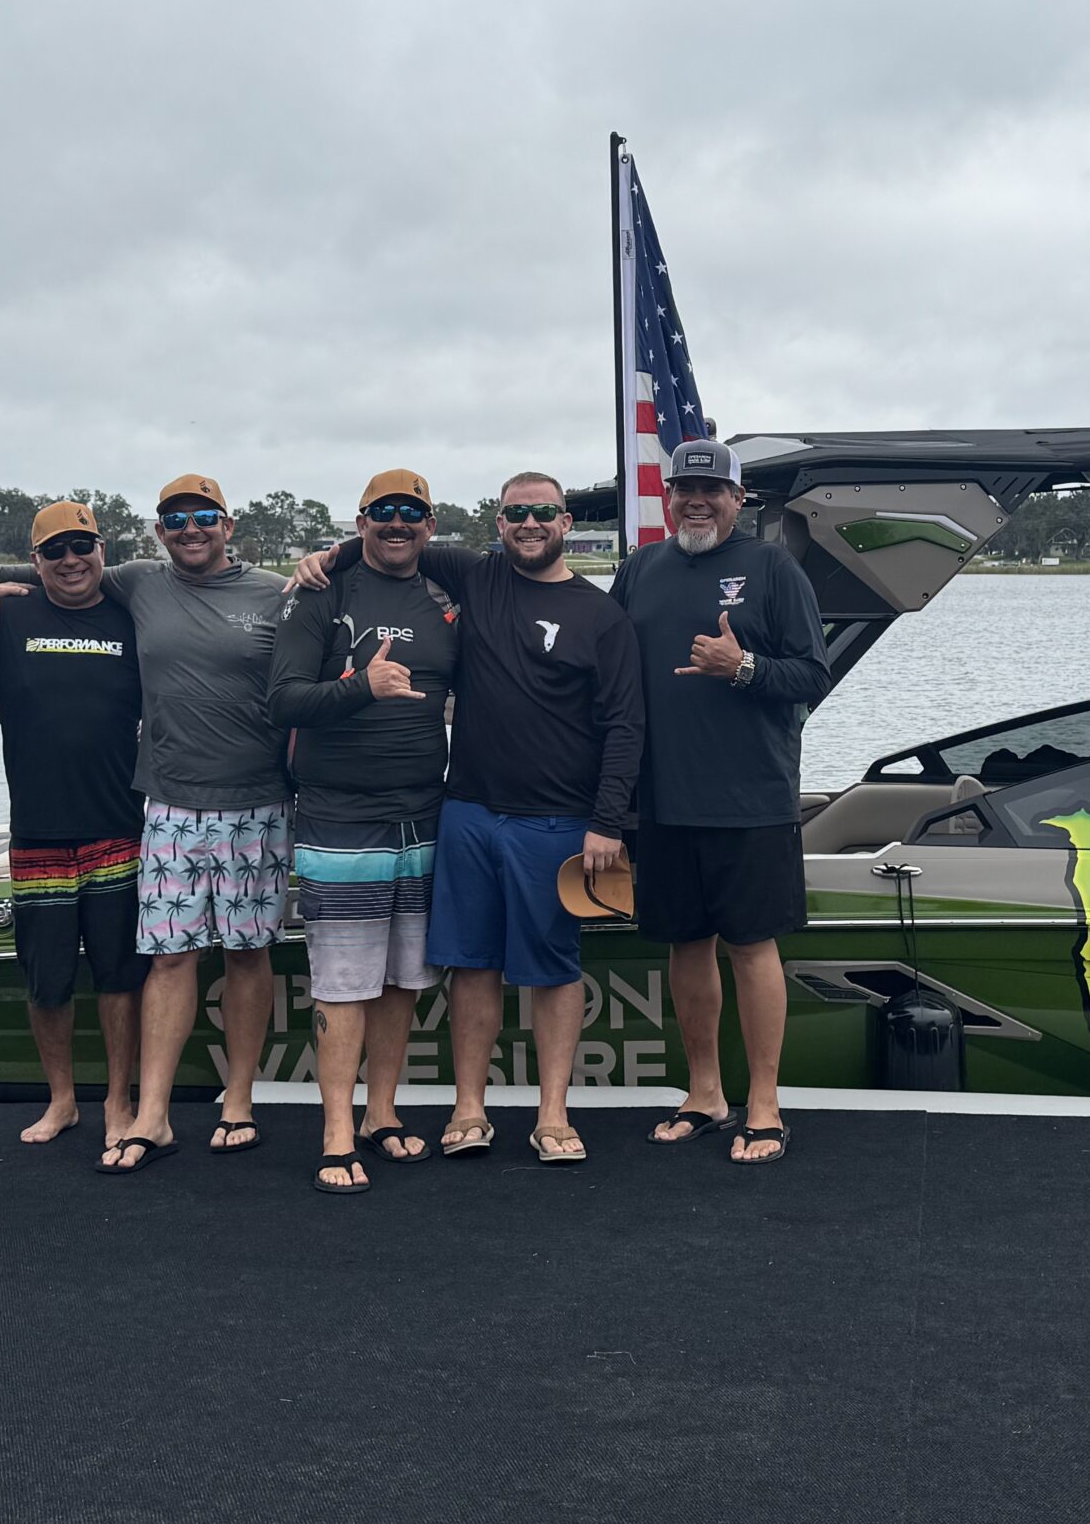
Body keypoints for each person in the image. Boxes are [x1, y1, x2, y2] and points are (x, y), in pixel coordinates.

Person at [295, 470, 643, 1163]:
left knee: (552, 969)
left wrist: (609, 822)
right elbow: (394, 537)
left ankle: (552, 1115)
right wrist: (328, 555)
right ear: (498, 523)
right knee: (472, 966)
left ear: (566, 522)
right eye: (516, 514)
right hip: (468, 813)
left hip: (558, 821)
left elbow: (626, 726)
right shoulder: (475, 576)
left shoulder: (601, 616)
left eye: (543, 512)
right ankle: (468, 1109)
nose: (529, 524)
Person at [0, 474, 290, 1171]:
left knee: (235, 955)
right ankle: (137, 1112)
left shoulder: (266, 592)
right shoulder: (124, 586)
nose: (191, 530)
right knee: (144, 961)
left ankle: (225, 1101)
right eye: (177, 521)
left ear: (228, 525)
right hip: (155, 806)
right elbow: (2, 615)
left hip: (240, 802)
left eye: (205, 517)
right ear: (159, 533)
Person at [609, 438, 829, 1166]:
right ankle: (704, 1092)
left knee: (752, 946)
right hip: (662, 801)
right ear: (668, 496)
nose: (696, 501)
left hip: (751, 800)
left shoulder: (773, 569)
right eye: (684, 489)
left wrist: (744, 667)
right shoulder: (639, 569)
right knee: (686, 945)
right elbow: (603, 667)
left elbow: (812, 675)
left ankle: (763, 1102)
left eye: (712, 491)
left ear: (739, 500)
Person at [269, 469, 457, 1194]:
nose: (397, 522)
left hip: (423, 815)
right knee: (344, 983)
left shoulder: (444, 596)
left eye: (411, 511)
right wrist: (360, 687)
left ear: (430, 525)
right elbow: (284, 699)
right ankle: (336, 1131)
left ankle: (382, 1113)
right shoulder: (323, 591)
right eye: (383, 511)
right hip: (340, 817)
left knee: (403, 978)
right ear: (361, 521)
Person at [0, 500, 146, 1150]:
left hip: (117, 825)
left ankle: (119, 1100)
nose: (70, 560)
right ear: (35, 560)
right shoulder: (6, 613)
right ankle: (62, 1100)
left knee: (119, 975)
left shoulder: (130, 613)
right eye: (54, 551)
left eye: (82, 546)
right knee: (47, 980)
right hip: (38, 829)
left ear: (101, 550)